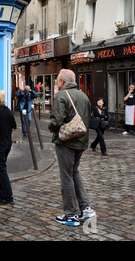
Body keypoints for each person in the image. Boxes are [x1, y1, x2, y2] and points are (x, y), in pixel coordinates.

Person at [48, 69, 95, 227]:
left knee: (66, 176)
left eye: (56, 81)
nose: (56, 84)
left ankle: (71, 215)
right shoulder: (83, 95)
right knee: (74, 172)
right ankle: (85, 208)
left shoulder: (61, 95)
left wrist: (51, 127)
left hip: (66, 141)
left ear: (62, 82)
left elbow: (56, 120)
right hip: (81, 140)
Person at [0, 89, 17, 205]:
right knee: (2, 169)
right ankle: (3, 192)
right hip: (7, 143)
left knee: (1, 170)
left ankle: (7, 195)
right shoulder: (8, 110)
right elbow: (14, 126)